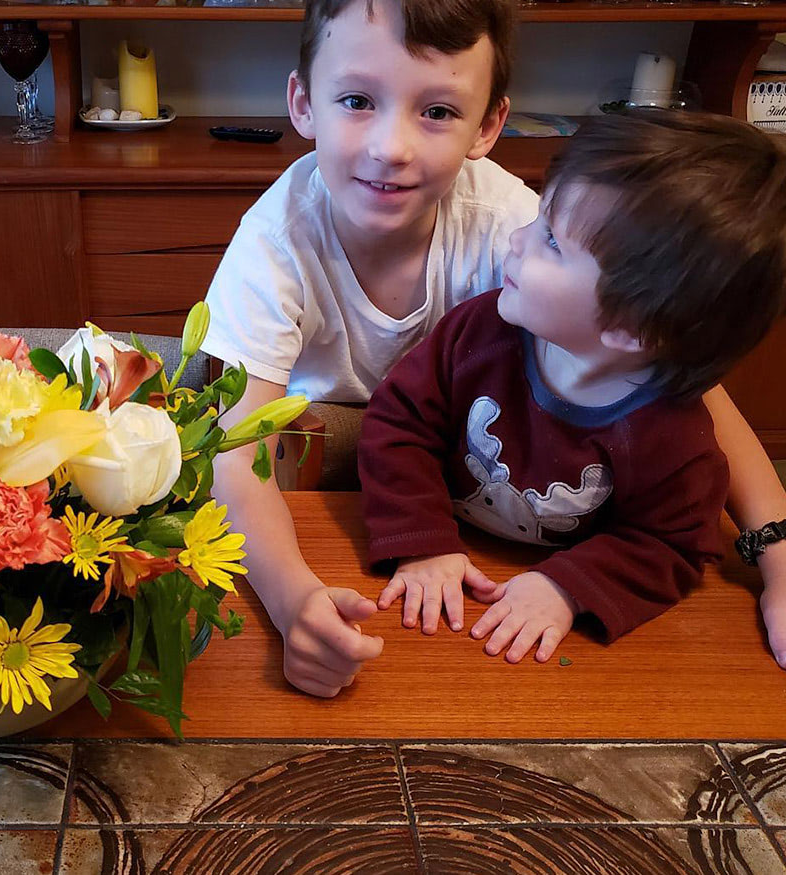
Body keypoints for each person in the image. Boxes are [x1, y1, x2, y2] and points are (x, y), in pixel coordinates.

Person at [202, 0, 786, 697]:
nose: (392, 146)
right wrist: (295, 600)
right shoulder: (275, 242)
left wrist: (778, 553)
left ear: (488, 126)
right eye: (357, 100)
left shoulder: (513, 225)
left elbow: (680, 386)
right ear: (302, 103)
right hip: (312, 460)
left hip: (464, 475)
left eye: (438, 112)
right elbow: (236, 455)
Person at [358, 111, 786, 663]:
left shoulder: (675, 442)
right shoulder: (481, 330)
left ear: (630, 328)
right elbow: (398, 422)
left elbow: (671, 545)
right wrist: (422, 541)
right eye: (539, 218)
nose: (515, 240)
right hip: (439, 561)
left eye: (552, 243)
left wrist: (567, 587)